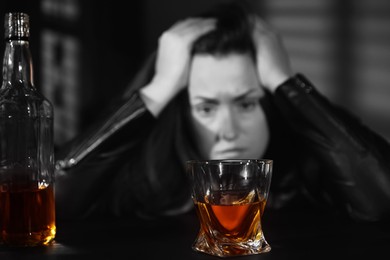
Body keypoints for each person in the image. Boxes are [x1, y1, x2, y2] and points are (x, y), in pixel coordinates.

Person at [54, 1, 390, 222]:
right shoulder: (138, 182)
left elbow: (383, 197)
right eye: (206, 107)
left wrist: (285, 82)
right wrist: (157, 91)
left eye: (246, 103)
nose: (228, 131)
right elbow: (44, 206)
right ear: (182, 113)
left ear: (270, 105)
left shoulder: (310, 172)